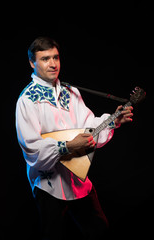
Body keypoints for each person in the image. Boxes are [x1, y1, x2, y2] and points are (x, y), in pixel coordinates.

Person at [15, 36, 133, 240]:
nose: (53, 64)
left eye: (56, 57)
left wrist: (114, 120)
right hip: (48, 186)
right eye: (45, 59)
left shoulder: (71, 92)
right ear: (32, 63)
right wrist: (67, 146)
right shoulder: (27, 100)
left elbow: (89, 128)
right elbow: (32, 147)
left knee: (100, 229)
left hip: (78, 181)